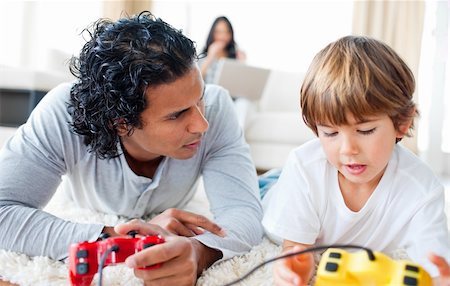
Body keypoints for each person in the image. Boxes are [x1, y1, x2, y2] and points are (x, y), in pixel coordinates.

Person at [0, 12, 263, 285]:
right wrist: (120, 238)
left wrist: (199, 252)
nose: (202, 124)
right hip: (87, 204)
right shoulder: (61, 113)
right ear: (121, 124)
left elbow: (244, 212)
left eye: (200, 99)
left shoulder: (219, 108)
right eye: (177, 114)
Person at [261, 36, 450, 285]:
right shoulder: (305, 168)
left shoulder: (421, 188)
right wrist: (296, 269)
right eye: (330, 133)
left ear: (402, 124)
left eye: (365, 131)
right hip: (272, 189)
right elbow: (295, 250)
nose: (348, 149)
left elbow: (436, 264)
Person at [199, 16, 246, 84]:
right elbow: (196, 82)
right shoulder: (202, 56)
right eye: (219, 32)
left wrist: (242, 64)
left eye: (227, 32)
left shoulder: (236, 55)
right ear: (212, 33)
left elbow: (241, 82)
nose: (223, 36)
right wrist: (210, 57)